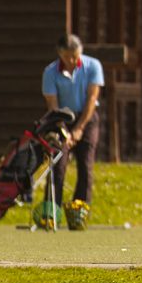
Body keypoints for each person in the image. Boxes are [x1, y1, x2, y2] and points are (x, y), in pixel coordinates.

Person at [42, 33, 104, 218]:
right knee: (58, 165)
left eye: (75, 56)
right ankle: (51, 214)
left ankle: (79, 214)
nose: (72, 60)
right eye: (68, 56)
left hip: (87, 117)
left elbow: (92, 99)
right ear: (60, 54)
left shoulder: (93, 66)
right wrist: (64, 130)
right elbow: (52, 105)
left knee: (86, 166)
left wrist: (79, 129)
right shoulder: (50, 72)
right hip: (61, 117)